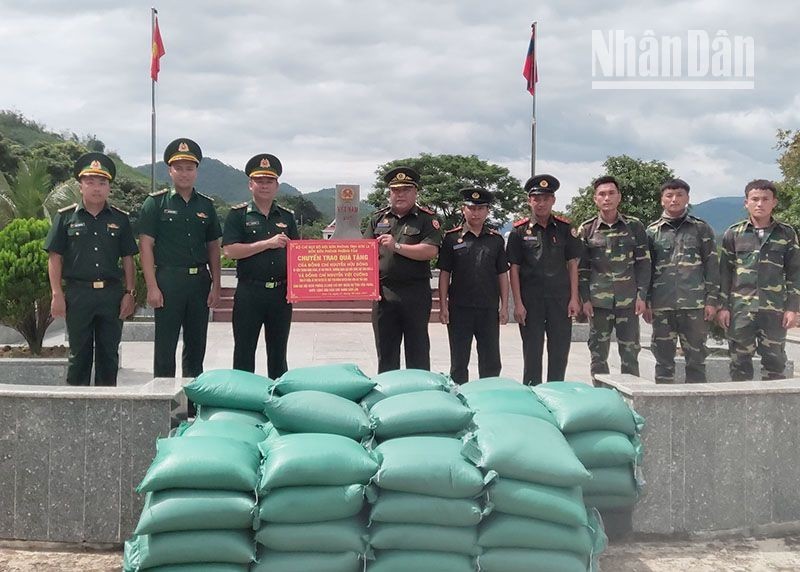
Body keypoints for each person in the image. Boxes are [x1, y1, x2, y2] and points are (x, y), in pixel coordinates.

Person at [45, 152, 138, 386]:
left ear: (109, 188)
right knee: (79, 354)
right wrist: (57, 294)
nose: (96, 188)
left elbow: (128, 259)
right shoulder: (65, 218)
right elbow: (55, 257)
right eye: (90, 182)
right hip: (79, 294)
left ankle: (106, 408)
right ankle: (76, 407)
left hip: (111, 295)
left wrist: (130, 293)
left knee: (109, 354)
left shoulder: (120, 219)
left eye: (102, 183)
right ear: (80, 186)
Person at [138, 138, 222, 379]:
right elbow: (146, 247)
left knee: (196, 347)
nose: (184, 173)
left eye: (189, 168)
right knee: (165, 346)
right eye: (179, 168)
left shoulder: (206, 205)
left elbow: (213, 248)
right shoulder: (155, 203)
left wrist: (216, 285)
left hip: (198, 282)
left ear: (196, 171)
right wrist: (152, 287)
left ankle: (194, 407)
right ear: (170, 170)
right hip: (168, 280)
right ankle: (166, 407)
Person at [222, 154, 298, 379]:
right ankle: (244, 403)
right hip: (249, 292)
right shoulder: (238, 215)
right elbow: (230, 250)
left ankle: (278, 404)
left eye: (269, 181)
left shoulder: (287, 216)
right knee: (244, 352)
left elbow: (297, 255)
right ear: (250, 184)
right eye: (260, 181)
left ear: (277, 186)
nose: (264, 186)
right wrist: (267, 244)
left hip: (280, 294)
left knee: (278, 354)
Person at [718, 179, 800, 381]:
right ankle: (740, 410)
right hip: (741, 310)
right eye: (755, 199)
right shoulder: (733, 233)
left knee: (775, 364)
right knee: (739, 364)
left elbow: (795, 273)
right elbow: (724, 273)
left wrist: (793, 308)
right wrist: (723, 307)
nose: (760, 204)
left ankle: (774, 411)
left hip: (774, 310)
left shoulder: (787, 234)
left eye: (765, 199)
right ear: (746, 203)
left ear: (774, 202)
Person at [364, 166, 442, 373]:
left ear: (415, 192)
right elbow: (363, 253)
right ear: (390, 193)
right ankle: (388, 398)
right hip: (383, 293)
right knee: (386, 351)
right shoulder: (378, 219)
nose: (400, 195)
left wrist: (397, 246)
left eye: (406, 190)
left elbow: (430, 251)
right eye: (395, 190)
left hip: (414, 293)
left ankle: (418, 395)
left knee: (417, 350)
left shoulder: (426, 219)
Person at [507, 174, 582, 384]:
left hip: (560, 299)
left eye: (546, 198)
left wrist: (574, 298)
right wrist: (518, 303)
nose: (541, 203)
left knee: (559, 351)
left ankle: (557, 394)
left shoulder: (566, 229)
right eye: (536, 198)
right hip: (531, 301)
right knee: (532, 353)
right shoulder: (519, 231)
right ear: (529, 200)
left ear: (553, 200)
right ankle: (532, 396)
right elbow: (514, 268)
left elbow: (572, 264)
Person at [644, 179, 719, 384]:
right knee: (663, 361)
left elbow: (712, 265)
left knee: (696, 360)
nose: (674, 199)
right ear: (662, 200)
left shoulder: (701, 229)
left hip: (694, 305)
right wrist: (647, 301)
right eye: (669, 195)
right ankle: (663, 406)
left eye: (679, 195)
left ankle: (697, 409)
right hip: (662, 305)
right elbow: (645, 269)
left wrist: (712, 300)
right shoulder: (651, 232)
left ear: (687, 198)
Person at [578, 175, 651, 379]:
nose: (607, 198)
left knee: (630, 353)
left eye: (611, 193)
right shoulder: (587, 229)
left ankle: (631, 399)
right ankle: (601, 397)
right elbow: (582, 269)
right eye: (602, 194)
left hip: (628, 301)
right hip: (598, 302)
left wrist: (642, 296)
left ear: (619, 197)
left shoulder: (634, 226)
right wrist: (585, 299)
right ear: (595, 199)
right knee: (598, 353)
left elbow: (644, 263)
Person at [437, 187, 509, 383]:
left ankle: (489, 396)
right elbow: (444, 274)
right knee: (459, 360)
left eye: (480, 208)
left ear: (487, 211)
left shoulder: (495, 240)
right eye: (471, 208)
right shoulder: (452, 238)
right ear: (463, 209)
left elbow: (503, 274)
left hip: (488, 308)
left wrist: (504, 306)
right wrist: (443, 306)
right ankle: (460, 398)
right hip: (460, 309)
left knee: (491, 360)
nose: (475, 213)